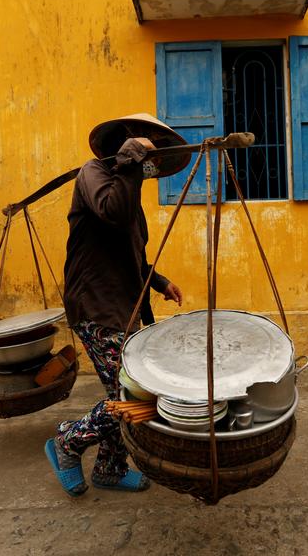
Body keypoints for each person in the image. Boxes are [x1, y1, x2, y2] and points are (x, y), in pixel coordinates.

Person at [44, 116, 184, 497]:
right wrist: (133, 159)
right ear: (123, 146)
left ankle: (109, 468)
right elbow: (112, 211)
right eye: (142, 146)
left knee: (122, 389)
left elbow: (135, 255)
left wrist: (160, 281)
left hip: (124, 306)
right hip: (96, 305)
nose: (146, 159)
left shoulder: (128, 187)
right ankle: (68, 443)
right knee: (130, 396)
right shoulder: (93, 174)